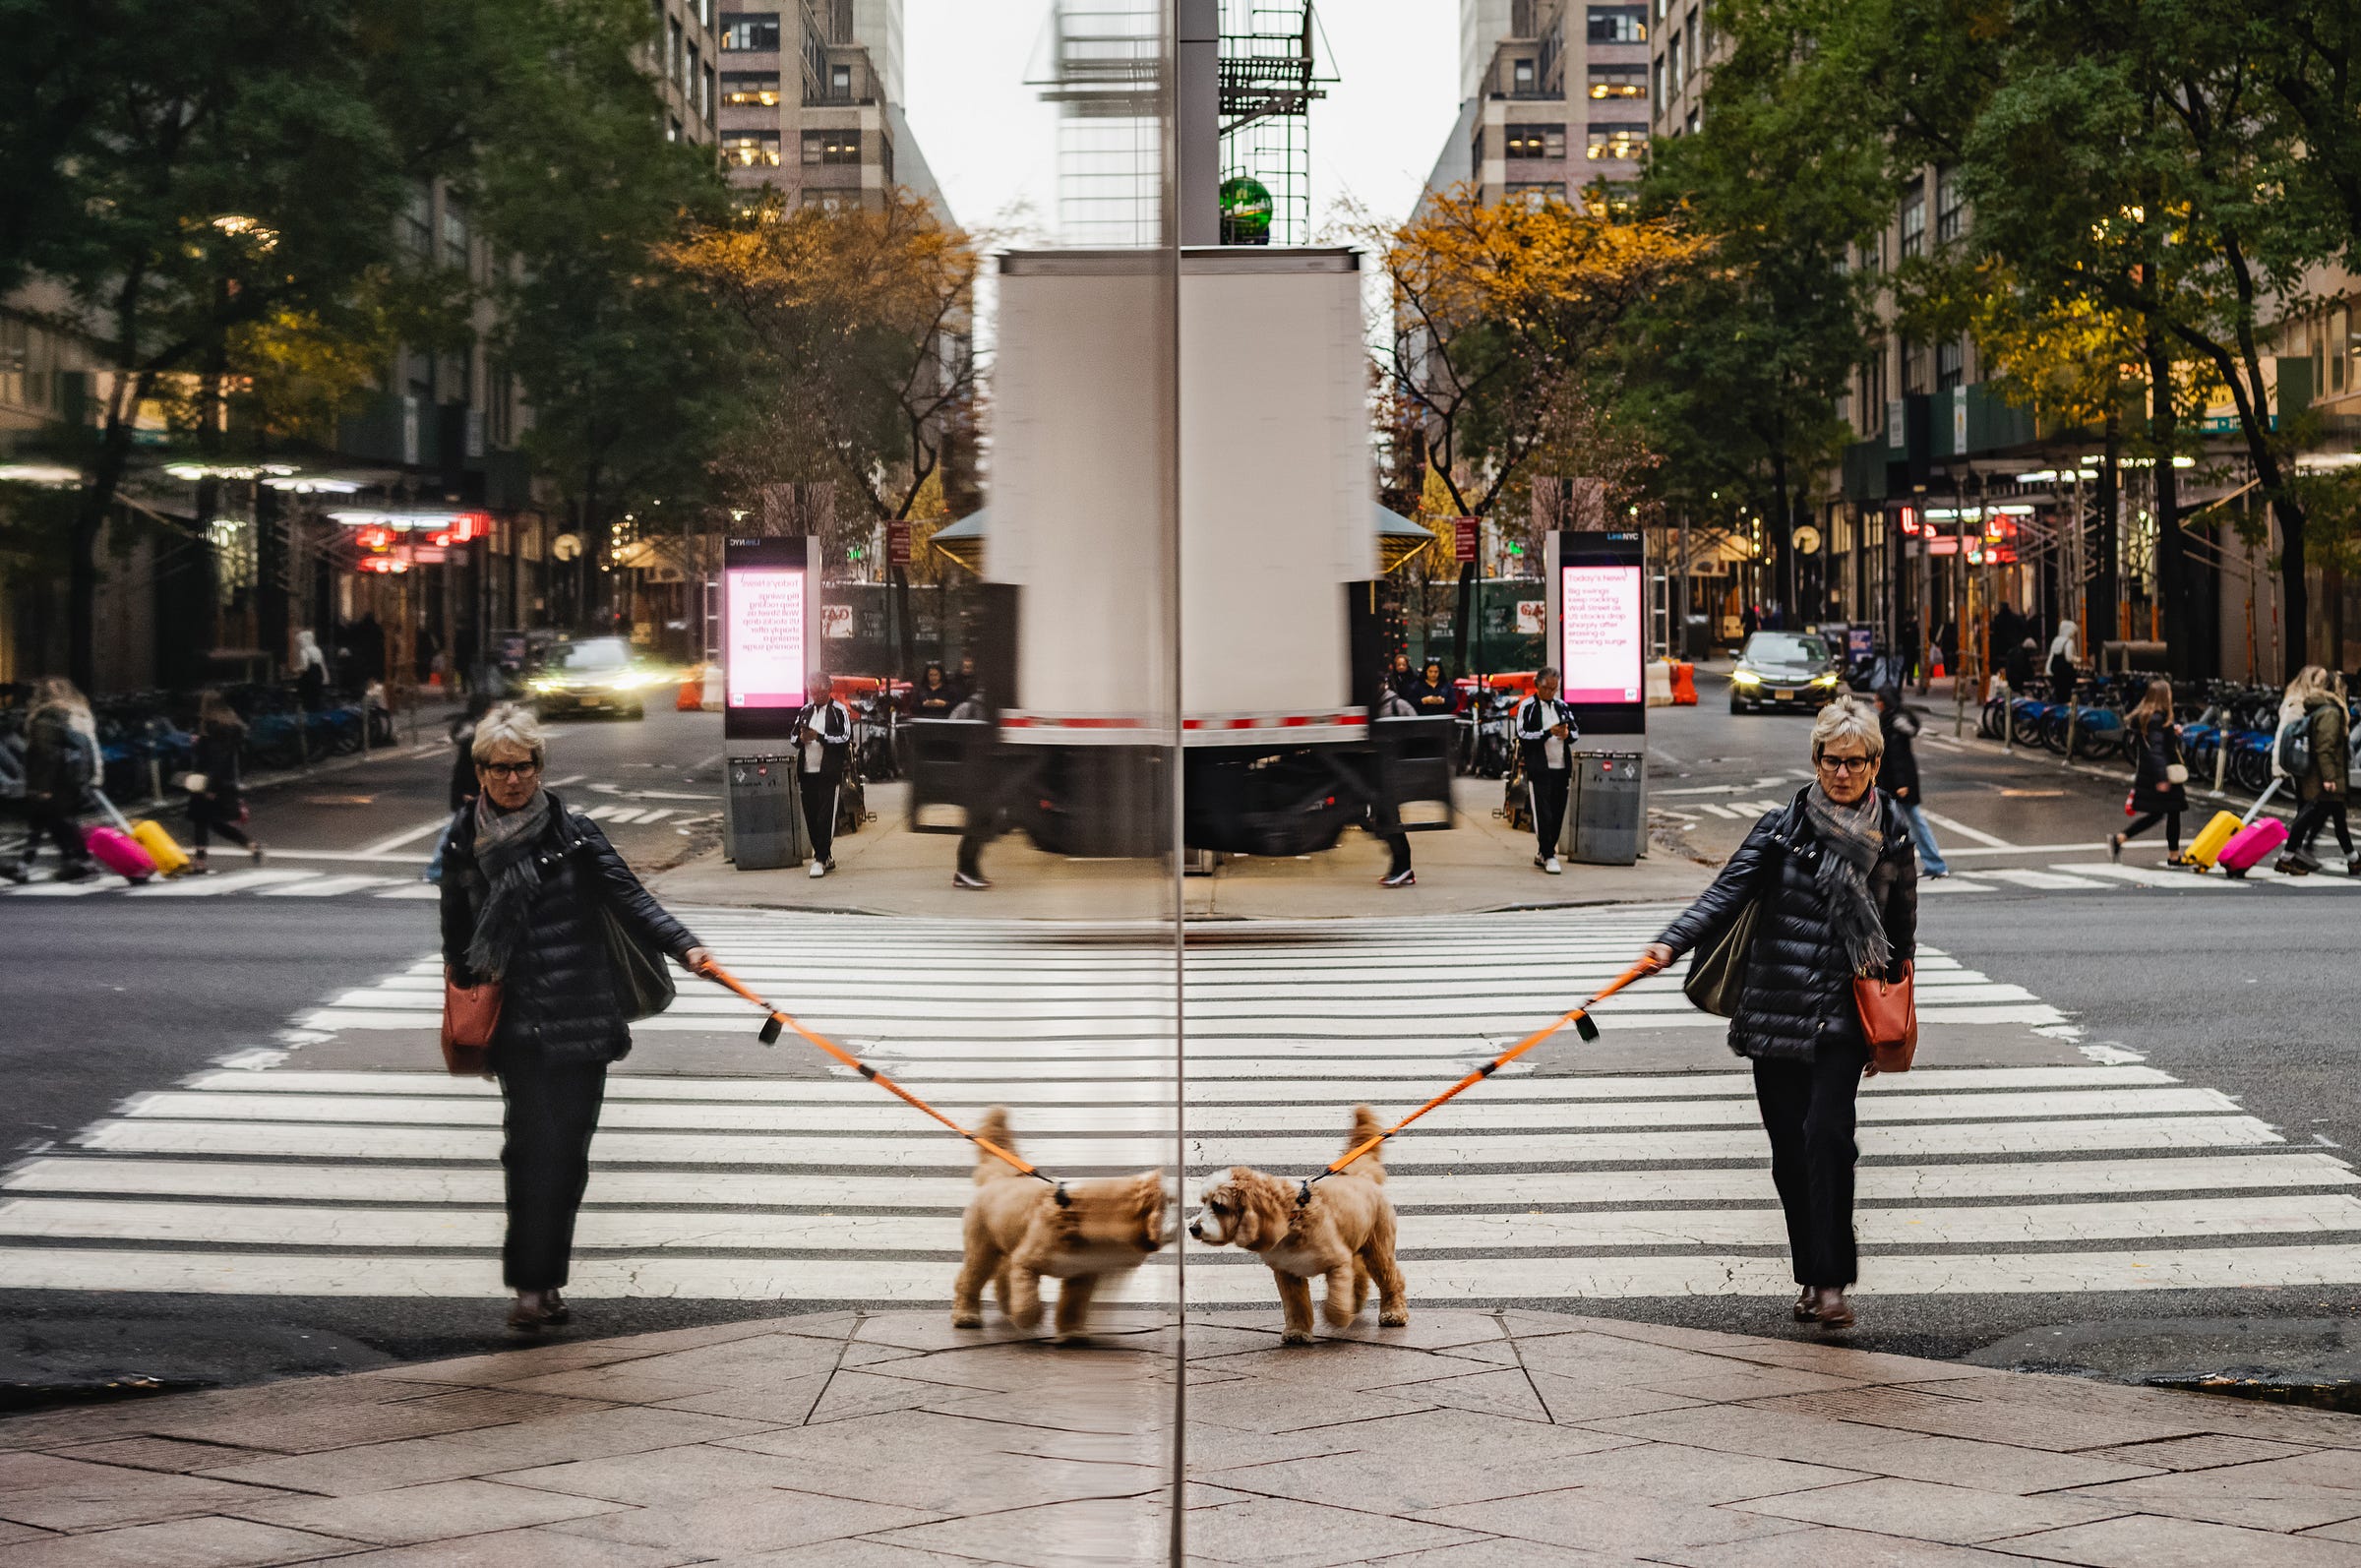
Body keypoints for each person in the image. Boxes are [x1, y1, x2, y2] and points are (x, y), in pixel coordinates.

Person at [1639, 696, 1915, 1331]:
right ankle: (1808, 1272)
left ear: (1874, 764)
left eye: (1854, 761)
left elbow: (1900, 934)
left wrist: (1888, 1025)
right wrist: (1671, 942)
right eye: (1829, 760)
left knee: (1829, 1140)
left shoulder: (1893, 835)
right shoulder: (1781, 827)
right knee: (1790, 1151)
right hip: (1775, 1011)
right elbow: (1726, 891)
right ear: (1815, 760)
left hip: (1844, 1016)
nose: (1841, 772)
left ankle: (1831, 1283)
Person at [439, 705, 709, 1331]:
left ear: (540, 767)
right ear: (480, 772)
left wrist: (687, 947)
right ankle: (531, 1288)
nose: (513, 779)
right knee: (530, 1149)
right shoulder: (463, 840)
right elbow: (454, 935)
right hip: (518, 1023)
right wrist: (471, 990)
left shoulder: (575, 833)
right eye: (500, 769)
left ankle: (547, 1279)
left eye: (524, 766)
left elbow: (631, 897)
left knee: (568, 1154)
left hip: (583, 1015)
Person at [5, 678, 98, 883]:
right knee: (43, 820)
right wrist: (93, 777)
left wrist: (42, 787)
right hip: (75, 777)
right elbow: (91, 749)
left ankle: (81, 861)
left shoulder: (47, 718)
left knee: (59, 822)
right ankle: (26, 865)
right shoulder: (78, 714)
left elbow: (46, 755)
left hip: (55, 781)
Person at [2279, 666, 2352, 875]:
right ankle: (2287, 856)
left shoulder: (2321, 708)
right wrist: (2329, 777)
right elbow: (2325, 747)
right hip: (2322, 776)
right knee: (2310, 814)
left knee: (2336, 814)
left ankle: (2353, 859)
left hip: (2319, 774)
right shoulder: (2330, 711)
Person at [2107, 679, 2188, 866]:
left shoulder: (2148, 717)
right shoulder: (2157, 719)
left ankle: (2122, 839)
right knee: (2165, 813)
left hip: (2151, 772)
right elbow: (2157, 749)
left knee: (2166, 813)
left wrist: (2171, 733)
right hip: (2160, 773)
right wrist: (2162, 777)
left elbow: (2155, 742)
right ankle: (2121, 838)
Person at [186, 693, 266, 872]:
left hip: (210, 781)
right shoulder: (231, 727)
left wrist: (211, 786)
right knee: (215, 822)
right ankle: (250, 844)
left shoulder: (214, 729)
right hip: (226, 782)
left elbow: (216, 759)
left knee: (201, 820)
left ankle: (200, 862)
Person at [1874, 688, 1948, 877]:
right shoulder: (1891, 720)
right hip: (1895, 783)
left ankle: (1934, 864)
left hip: (1899, 784)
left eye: (1878, 700)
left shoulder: (1893, 724)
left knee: (1908, 823)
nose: (1876, 704)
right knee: (1904, 823)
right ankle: (1932, 864)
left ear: (1885, 702)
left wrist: (1901, 785)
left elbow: (1897, 758)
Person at [426, 693, 497, 883]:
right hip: (469, 790)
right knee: (454, 828)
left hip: (468, 789)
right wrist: (471, 792)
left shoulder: (470, 728)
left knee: (468, 827)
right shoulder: (476, 734)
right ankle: (436, 869)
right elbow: (470, 768)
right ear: (486, 709)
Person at [1514, 667, 1578, 875]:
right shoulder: (1528, 706)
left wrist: (1565, 733)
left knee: (1558, 811)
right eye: (1546, 688)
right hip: (1540, 767)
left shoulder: (1562, 706)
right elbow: (1522, 734)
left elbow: (1575, 732)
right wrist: (1546, 733)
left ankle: (1545, 852)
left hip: (1561, 766)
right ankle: (1549, 854)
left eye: (1554, 689)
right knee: (1543, 813)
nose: (1550, 693)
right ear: (1537, 685)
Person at [795, 672, 852, 877]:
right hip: (808, 770)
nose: (816, 696)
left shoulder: (839, 711)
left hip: (828, 771)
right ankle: (824, 856)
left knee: (825, 817)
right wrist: (802, 737)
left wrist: (820, 737)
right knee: (811, 815)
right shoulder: (805, 711)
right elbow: (793, 736)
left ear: (829, 690)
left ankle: (820, 857)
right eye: (812, 692)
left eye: (819, 692)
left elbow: (845, 737)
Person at [1371, 673, 1418, 888]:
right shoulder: (1376, 707)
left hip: (1394, 772)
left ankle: (1403, 868)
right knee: (1386, 820)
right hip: (1385, 772)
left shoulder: (1398, 705)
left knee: (1390, 820)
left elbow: (1417, 733)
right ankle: (1400, 868)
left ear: (1385, 683)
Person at [293, 630, 329, 712]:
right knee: (316, 699)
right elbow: (322, 665)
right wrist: (326, 678)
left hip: (309, 677)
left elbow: (305, 667)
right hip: (318, 675)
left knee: (307, 699)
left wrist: (295, 669)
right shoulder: (317, 650)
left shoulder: (304, 651)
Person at [2046, 619, 2080, 702]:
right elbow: (2069, 658)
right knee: (2066, 695)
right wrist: (2078, 659)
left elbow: (2051, 656)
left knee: (2058, 695)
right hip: (2065, 674)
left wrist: (2048, 671)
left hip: (2055, 673)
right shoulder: (2069, 642)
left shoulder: (2056, 640)